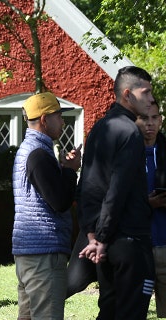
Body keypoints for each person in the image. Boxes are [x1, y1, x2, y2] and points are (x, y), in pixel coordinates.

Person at [79, 66, 156, 319]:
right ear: (127, 95)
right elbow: (117, 190)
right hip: (129, 241)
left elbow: (88, 185)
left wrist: (94, 235)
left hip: (107, 243)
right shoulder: (130, 132)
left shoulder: (100, 128)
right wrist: (100, 236)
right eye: (145, 93)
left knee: (109, 311)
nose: (151, 99)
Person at [11, 92, 82, 319]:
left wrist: (63, 170)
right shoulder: (38, 154)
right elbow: (60, 202)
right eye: (59, 116)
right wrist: (71, 171)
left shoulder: (31, 150)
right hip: (44, 254)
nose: (62, 122)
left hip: (30, 251)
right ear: (44, 120)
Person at [136, 101, 166, 317]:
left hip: (165, 243)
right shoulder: (127, 154)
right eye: (144, 118)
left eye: (154, 118)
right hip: (139, 245)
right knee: (136, 310)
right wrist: (146, 203)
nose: (150, 124)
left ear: (161, 121)